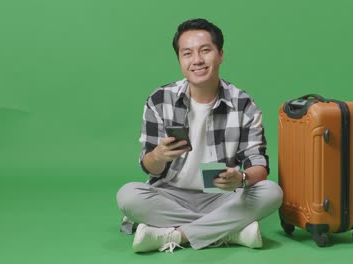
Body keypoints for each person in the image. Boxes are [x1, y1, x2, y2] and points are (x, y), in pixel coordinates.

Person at [116, 18, 283, 253]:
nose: (197, 60)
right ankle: (231, 230)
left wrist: (242, 179)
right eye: (187, 53)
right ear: (180, 60)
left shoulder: (244, 104)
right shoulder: (159, 100)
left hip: (223, 196)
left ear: (220, 54)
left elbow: (259, 164)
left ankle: (175, 235)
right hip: (169, 194)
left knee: (272, 192)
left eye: (205, 50)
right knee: (128, 196)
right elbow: (149, 167)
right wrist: (159, 155)